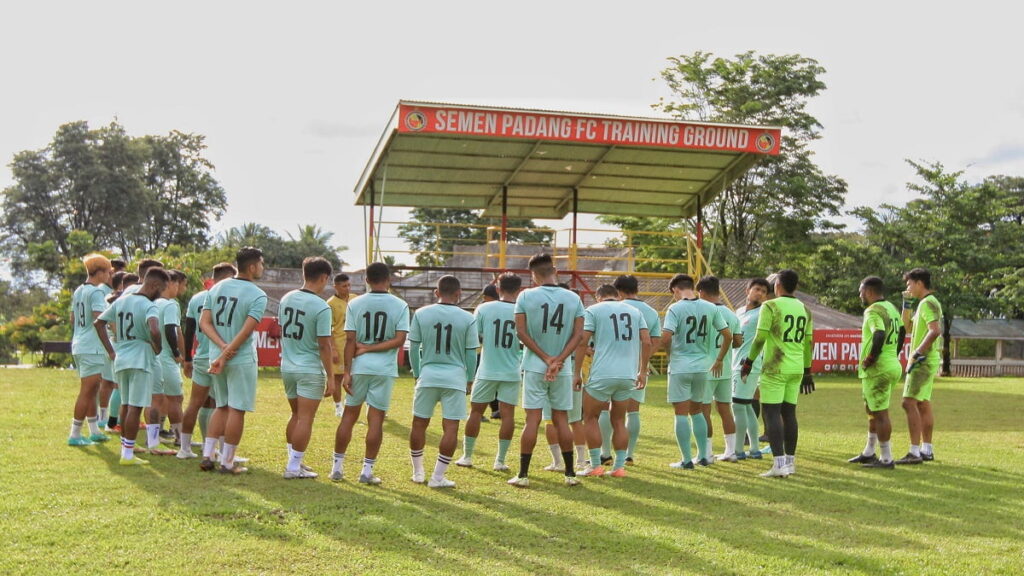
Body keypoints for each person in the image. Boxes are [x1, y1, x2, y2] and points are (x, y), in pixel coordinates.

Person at [507, 254, 585, 488]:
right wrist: (559, 360)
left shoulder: (526, 296)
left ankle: (523, 475)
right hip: (562, 368)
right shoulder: (573, 298)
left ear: (533, 274)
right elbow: (578, 335)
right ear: (555, 270)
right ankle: (570, 474)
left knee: (533, 419)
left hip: (534, 366)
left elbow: (521, 332)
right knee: (562, 419)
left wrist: (545, 358)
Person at [331, 262, 409, 484]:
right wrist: (372, 348)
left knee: (349, 416)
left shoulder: (355, 303)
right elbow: (399, 340)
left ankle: (337, 467)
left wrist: (347, 371)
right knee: (376, 421)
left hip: (359, 367)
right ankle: (366, 471)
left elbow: (350, 340)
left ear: (366, 280)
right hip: (384, 369)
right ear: (388, 280)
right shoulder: (400, 305)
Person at [199, 247, 268, 475]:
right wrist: (229, 350)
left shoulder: (217, 287)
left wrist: (221, 347)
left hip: (215, 357)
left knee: (221, 406)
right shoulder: (257, 294)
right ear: (252, 266)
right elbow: (247, 330)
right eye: (261, 263)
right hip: (240, 359)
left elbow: (204, 323)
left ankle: (207, 455)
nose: (262, 268)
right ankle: (227, 462)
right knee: (237, 409)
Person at [740, 270, 815, 478]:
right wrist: (808, 370)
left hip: (775, 366)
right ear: (796, 287)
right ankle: (790, 463)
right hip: (796, 367)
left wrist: (749, 361)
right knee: (789, 413)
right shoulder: (805, 309)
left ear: (777, 286)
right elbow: (809, 342)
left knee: (771, 413)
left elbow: (760, 337)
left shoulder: (770, 306)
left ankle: (779, 464)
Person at [408, 275, 478, 488]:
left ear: (436, 293)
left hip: (428, 375)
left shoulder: (421, 313)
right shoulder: (468, 318)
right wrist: (469, 379)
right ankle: (438, 477)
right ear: (459, 294)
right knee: (451, 427)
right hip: (454, 378)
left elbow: (413, 347)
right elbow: (471, 354)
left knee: (419, 423)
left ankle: (418, 472)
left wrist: (417, 373)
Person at [95, 268, 169, 466]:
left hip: (121, 357)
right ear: (153, 285)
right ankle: (127, 454)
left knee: (126, 405)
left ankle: (125, 449)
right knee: (135, 407)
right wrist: (158, 347)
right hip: (140, 358)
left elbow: (99, 322)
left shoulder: (122, 300)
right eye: (160, 289)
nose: (160, 294)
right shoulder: (148, 305)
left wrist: (111, 351)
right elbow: (154, 329)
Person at [576, 285, 650, 478]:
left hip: (603, 372)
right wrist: (642, 371)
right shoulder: (635, 311)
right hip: (628, 374)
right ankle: (618, 467)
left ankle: (594, 465)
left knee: (590, 417)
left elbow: (583, 341)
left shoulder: (593, 310)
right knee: (618, 420)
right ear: (617, 296)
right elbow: (647, 341)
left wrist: (576, 373)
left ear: (598, 297)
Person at [661, 274, 731, 469]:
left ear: (676, 289)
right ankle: (703, 456)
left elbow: (666, 338)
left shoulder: (675, 308)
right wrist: (718, 359)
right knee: (698, 411)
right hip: (703, 367)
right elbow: (728, 335)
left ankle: (685, 459)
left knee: (681, 414)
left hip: (681, 366)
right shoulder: (710, 308)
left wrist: (669, 355)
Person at [456, 273, 522, 471]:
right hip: (512, 370)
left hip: (487, 369)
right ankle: (500, 461)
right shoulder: (523, 310)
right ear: (519, 290)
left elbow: (474, 338)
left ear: (498, 289)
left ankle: (467, 456)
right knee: (508, 415)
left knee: (476, 412)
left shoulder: (484, 308)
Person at [279, 257, 335, 479]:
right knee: (305, 419)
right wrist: (331, 377)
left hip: (288, 366)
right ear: (323, 277)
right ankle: (293, 467)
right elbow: (324, 345)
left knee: (295, 415)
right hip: (309, 368)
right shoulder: (322, 307)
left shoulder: (286, 298)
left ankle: (295, 462)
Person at [177, 262, 236, 459]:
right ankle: (220, 451)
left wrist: (187, 358)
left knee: (197, 403)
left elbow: (189, 329)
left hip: (201, 356)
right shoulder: (228, 297)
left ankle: (185, 448)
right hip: (220, 356)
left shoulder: (197, 298)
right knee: (223, 406)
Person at [848, 276, 904, 469]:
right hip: (890, 364)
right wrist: (893, 354)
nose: (860, 295)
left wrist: (872, 357)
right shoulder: (891, 308)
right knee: (872, 409)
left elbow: (878, 333)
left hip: (878, 368)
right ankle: (869, 452)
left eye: (861, 291)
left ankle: (887, 458)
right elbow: (903, 332)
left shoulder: (872, 310)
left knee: (880, 413)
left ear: (869, 292)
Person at [611, 274, 661, 466]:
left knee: (610, 410)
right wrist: (643, 361)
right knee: (633, 411)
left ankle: (606, 453)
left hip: (614, 364)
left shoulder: (613, 308)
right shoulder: (650, 311)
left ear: (618, 291)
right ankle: (629, 454)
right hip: (638, 366)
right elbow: (655, 341)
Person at [896, 267, 943, 465]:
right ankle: (927, 449)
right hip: (926, 360)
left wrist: (917, 353)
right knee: (922, 403)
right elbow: (906, 327)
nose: (908, 287)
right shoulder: (923, 304)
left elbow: (935, 331)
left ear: (919, 283)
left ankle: (914, 452)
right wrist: (906, 305)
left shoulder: (928, 303)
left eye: (909, 283)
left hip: (922, 361)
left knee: (908, 403)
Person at [69, 253, 114, 446]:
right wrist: (110, 348)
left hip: (79, 343)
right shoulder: (96, 292)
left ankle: (94, 430)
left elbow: (73, 319)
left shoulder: (79, 290)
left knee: (93, 389)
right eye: (108, 272)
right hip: (91, 347)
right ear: (100, 272)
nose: (109, 276)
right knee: (87, 391)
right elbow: (99, 321)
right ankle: (75, 433)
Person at [696, 276, 742, 462]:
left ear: (702, 292)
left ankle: (706, 453)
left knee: (703, 410)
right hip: (726, 369)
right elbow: (738, 341)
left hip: (707, 369)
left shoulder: (703, 313)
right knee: (725, 409)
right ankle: (730, 451)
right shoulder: (732, 314)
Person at [143, 269, 184, 457]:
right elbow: (170, 329)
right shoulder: (170, 305)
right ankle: (179, 438)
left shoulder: (152, 303)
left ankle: (152, 438)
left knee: (154, 399)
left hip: (151, 357)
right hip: (166, 359)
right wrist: (176, 353)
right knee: (175, 399)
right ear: (172, 284)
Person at [731, 279, 769, 460]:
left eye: (763, 291)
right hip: (735, 362)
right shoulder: (738, 312)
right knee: (745, 407)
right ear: (748, 290)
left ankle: (738, 450)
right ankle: (754, 448)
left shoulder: (763, 312)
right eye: (757, 289)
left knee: (738, 406)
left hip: (748, 365)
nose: (760, 293)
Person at [327, 273, 353, 417]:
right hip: (339, 343)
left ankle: (366, 403)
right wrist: (333, 349)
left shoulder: (355, 299)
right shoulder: (330, 304)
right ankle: (338, 406)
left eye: (349, 285)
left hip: (355, 344)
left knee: (357, 376)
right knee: (338, 377)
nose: (347, 288)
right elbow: (328, 328)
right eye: (344, 286)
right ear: (335, 287)